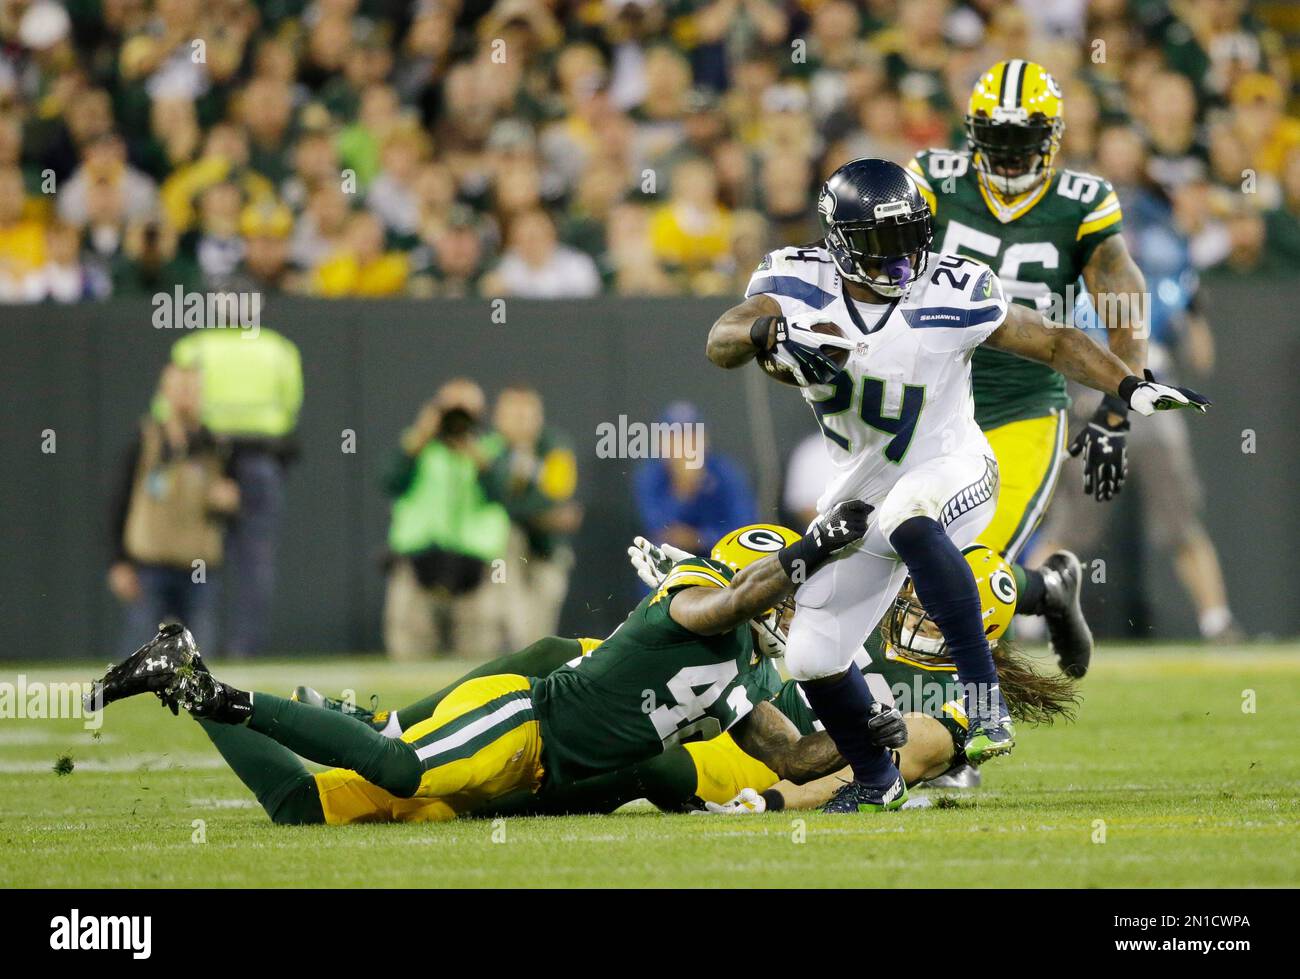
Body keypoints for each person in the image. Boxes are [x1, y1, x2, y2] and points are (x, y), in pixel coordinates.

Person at [705, 156, 1211, 812]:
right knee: (811, 653)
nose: (901, 262)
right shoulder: (793, 282)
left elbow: (1054, 340)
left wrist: (1129, 386)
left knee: (909, 516)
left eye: (910, 240)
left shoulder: (951, 287)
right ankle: (876, 777)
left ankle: (983, 702)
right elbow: (721, 338)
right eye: (881, 248)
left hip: (956, 469)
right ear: (840, 244)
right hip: (862, 487)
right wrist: (762, 330)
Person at [87, 513, 893, 824]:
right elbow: (721, 608)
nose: (794, 610)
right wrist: (809, 550)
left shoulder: (744, 675)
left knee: (304, 809)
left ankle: (183, 675)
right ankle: (218, 690)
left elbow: (790, 754)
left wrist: (864, 740)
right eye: (786, 593)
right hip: (522, 721)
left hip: (533, 780)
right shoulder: (695, 595)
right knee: (400, 766)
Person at [905, 61, 1153, 680]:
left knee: (965, 568)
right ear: (973, 134)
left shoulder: (1082, 201)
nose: (1011, 157)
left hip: (1022, 410)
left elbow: (1124, 303)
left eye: (1024, 140)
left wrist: (1118, 410)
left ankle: (958, 732)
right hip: (930, 405)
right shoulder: (933, 179)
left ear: (1052, 137)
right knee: (899, 557)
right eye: (1000, 139)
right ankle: (1046, 588)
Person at [171, 326, 303, 657]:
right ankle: (246, 651)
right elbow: (289, 408)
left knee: (198, 556)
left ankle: (196, 651)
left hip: (206, 461)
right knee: (255, 561)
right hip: (259, 458)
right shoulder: (278, 348)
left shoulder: (195, 347)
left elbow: (169, 405)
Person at [107, 364, 239, 657]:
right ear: (164, 393)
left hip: (199, 568)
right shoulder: (147, 441)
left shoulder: (216, 447)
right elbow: (120, 502)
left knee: (200, 656)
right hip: (150, 563)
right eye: (179, 389)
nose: (185, 398)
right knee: (139, 650)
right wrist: (119, 560)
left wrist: (228, 502)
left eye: (192, 390)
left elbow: (234, 508)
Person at [382, 379, 511, 659]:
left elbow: (503, 494)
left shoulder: (492, 448)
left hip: (475, 562)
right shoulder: (416, 446)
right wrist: (422, 435)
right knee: (410, 651)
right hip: (418, 555)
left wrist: (476, 453)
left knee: (478, 657)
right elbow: (389, 482)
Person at [480, 386, 583, 647]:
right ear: (498, 418)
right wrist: (535, 510)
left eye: (528, 415)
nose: (521, 422)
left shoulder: (556, 446)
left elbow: (557, 496)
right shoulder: (487, 448)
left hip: (547, 547)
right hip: (497, 551)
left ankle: (532, 661)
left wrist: (520, 502)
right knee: (505, 613)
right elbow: (492, 498)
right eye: (514, 415)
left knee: (544, 606)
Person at [632, 401, 756, 554]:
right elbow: (659, 528)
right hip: (669, 564)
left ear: (705, 439)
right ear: (661, 442)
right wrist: (682, 490)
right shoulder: (651, 475)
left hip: (718, 560)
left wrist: (701, 538)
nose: (684, 445)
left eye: (691, 436)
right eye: (674, 437)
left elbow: (744, 528)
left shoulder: (725, 472)